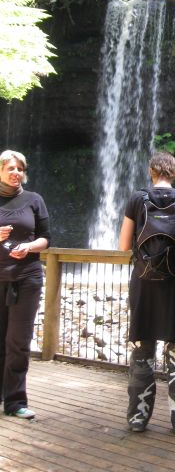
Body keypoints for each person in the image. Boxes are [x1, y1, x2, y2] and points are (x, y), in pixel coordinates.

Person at [118, 151, 175, 434]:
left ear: (151, 171)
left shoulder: (136, 199)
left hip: (143, 283)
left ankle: (137, 419)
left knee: (142, 348)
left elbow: (123, 245)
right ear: (174, 173)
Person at [0, 150, 50, 420]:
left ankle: (15, 401)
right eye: (9, 167)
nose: (15, 172)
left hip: (27, 277)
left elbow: (46, 238)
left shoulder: (34, 200)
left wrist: (29, 246)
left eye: (19, 168)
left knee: (18, 342)